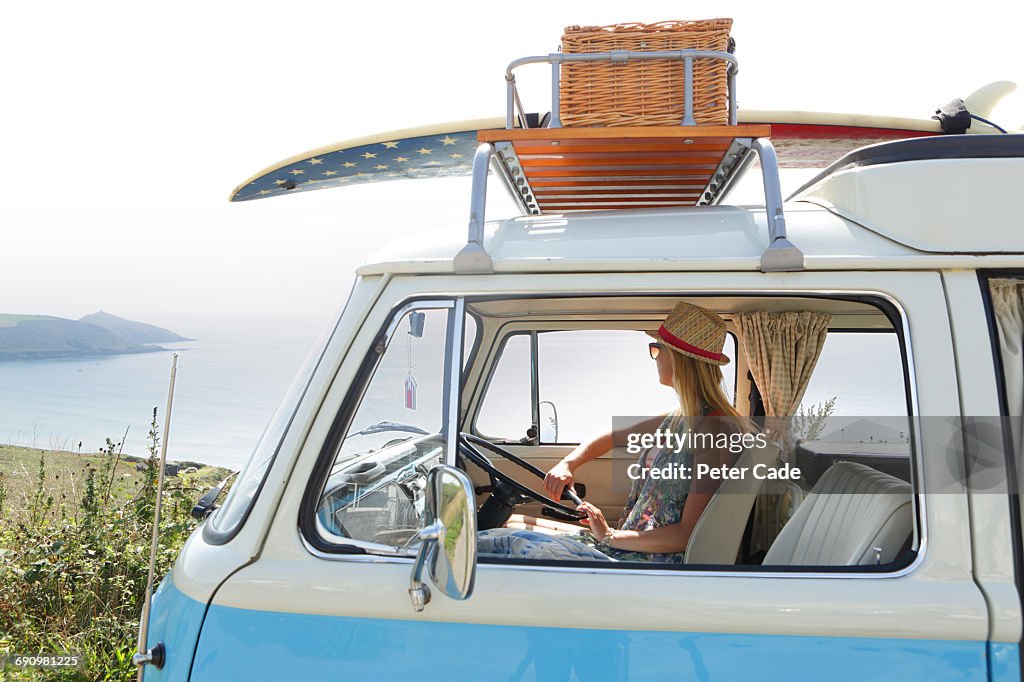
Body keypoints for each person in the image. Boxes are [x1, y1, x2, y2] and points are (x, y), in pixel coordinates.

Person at [477, 301, 753, 563]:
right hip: (631, 545)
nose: (654, 357)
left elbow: (687, 533)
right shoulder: (681, 417)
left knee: (499, 548)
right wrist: (569, 463)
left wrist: (610, 535)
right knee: (512, 524)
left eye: (657, 350)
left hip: (650, 560)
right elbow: (612, 434)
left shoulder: (715, 431)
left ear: (680, 360)